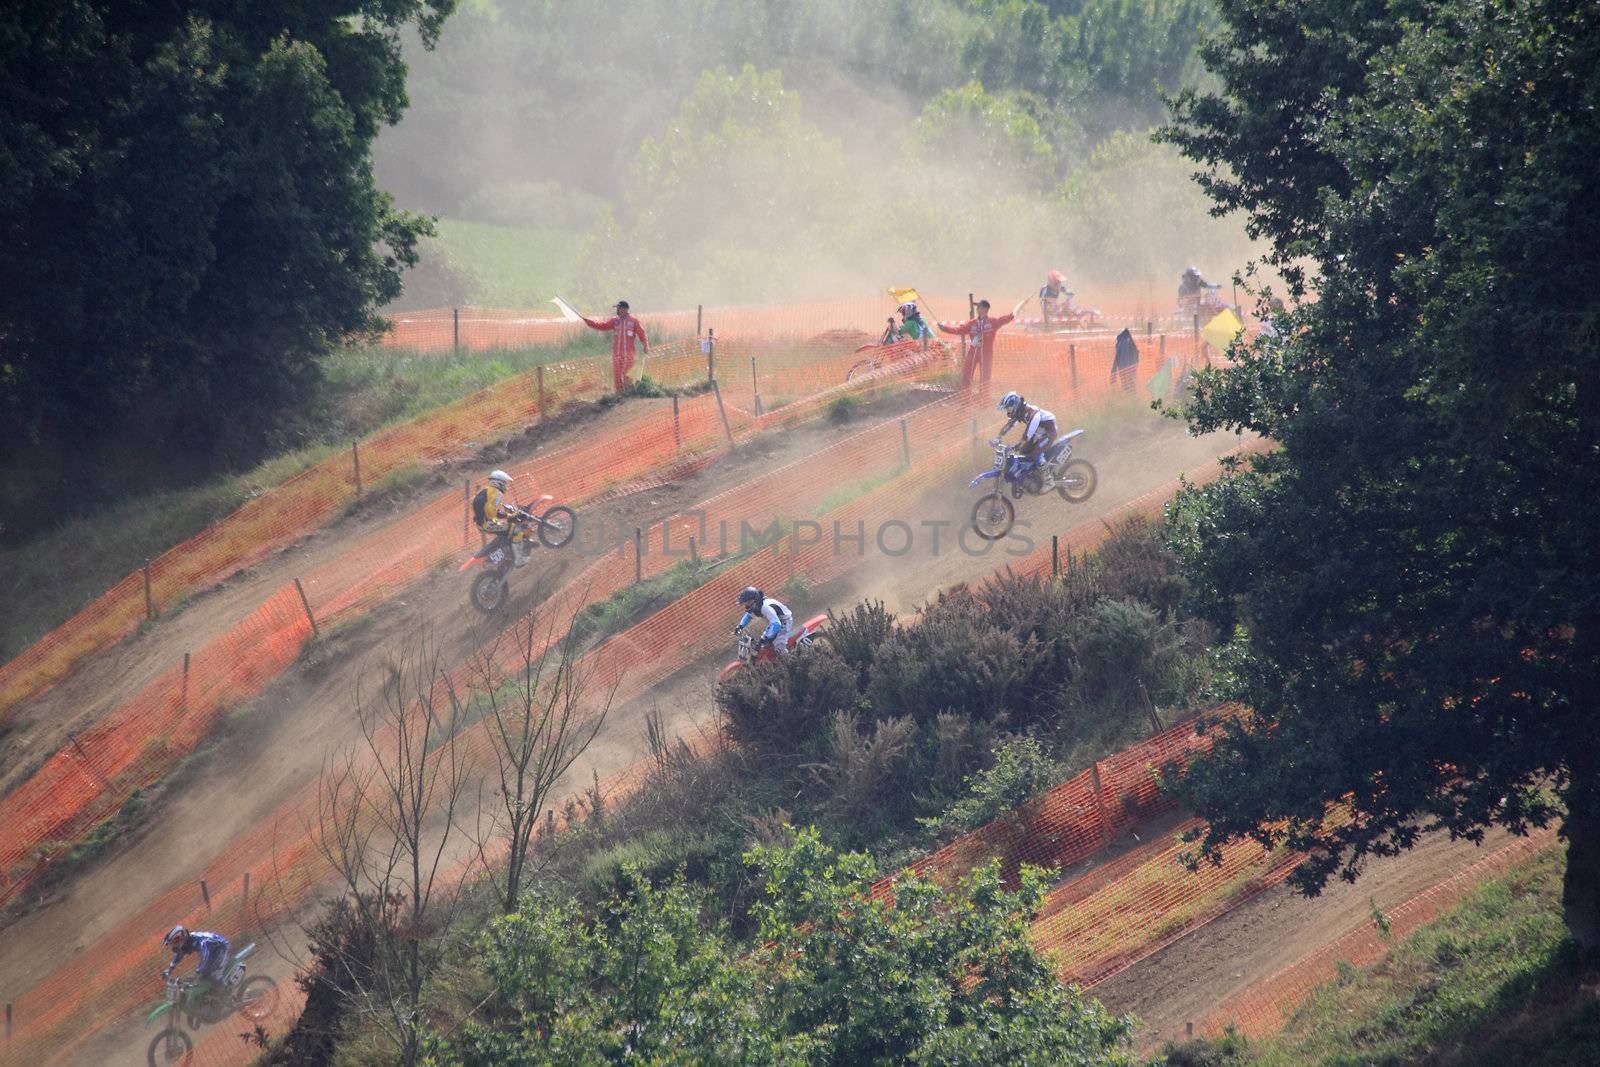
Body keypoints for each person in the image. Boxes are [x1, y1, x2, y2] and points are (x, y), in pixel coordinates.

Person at [938, 298, 1015, 391]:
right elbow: (959, 330)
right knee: (966, 377)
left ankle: (983, 402)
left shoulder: (993, 321)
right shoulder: (972, 323)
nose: (977, 309)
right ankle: (966, 400)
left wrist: (1010, 316)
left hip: (986, 355)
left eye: (979, 307)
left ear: (985, 309)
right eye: (977, 307)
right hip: (973, 353)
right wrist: (945, 328)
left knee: (985, 380)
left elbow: (1003, 319)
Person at [581, 300, 650, 393]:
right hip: (617, 354)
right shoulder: (614, 320)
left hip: (628, 354)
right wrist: (590, 323)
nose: (617, 310)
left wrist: (646, 345)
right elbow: (603, 326)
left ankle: (629, 393)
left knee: (627, 374)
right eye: (617, 308)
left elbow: (642, 334)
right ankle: (619, 394)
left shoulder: (634, 321)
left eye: (619, 308)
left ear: (625, 309)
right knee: (617, 374)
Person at [472, 469, 531, 568]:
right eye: (505, 482)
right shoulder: (495, 492)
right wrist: (508, 517)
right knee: (517, 530)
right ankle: (519, 560)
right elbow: (491, 512)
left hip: (482, 523)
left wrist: (506, 516)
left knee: (507, 531)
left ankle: (507, 553)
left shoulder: (485, 490)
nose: (506, 485)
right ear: (499, 482)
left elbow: (488, 510)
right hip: (487, 524)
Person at [995, 391, 1059, 480]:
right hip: (1039, 433)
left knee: (1036, 453)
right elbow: (1010, 425)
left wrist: (1018, 444)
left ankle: (1048, 480)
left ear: (1014, 405)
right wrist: (998, 437)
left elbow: (1027, 434)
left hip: (1049, 433)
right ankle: (1034, 476)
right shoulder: (1020, 412)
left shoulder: (1032, 414)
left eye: (1008, 408)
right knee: (1024, 451)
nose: (1007, 411)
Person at [161, 925, 230, 1001]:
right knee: (203, 977)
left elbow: (206, 956)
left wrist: (198, 973)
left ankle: (226, 995)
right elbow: (179, 956)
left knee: (215, 973)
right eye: (172, 943)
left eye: (175, 942)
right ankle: (210, 998)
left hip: (220, 948)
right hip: (210, 951)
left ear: (183, 937)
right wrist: (169, 970)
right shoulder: (186, 943)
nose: (174, 945)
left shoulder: (200, 941)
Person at [733, 586, 794, 657]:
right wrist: (740, 626)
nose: (746, 605)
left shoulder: (765, 607)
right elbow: (748, 616)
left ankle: (789, 661)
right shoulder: (756, 606)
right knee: (766, 644)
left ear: (754, 600)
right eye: (745, 603)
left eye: (747, 602)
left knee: (778, 645)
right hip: (775, 622)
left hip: (784, 621)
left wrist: (764, 638)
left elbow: (777, 624)